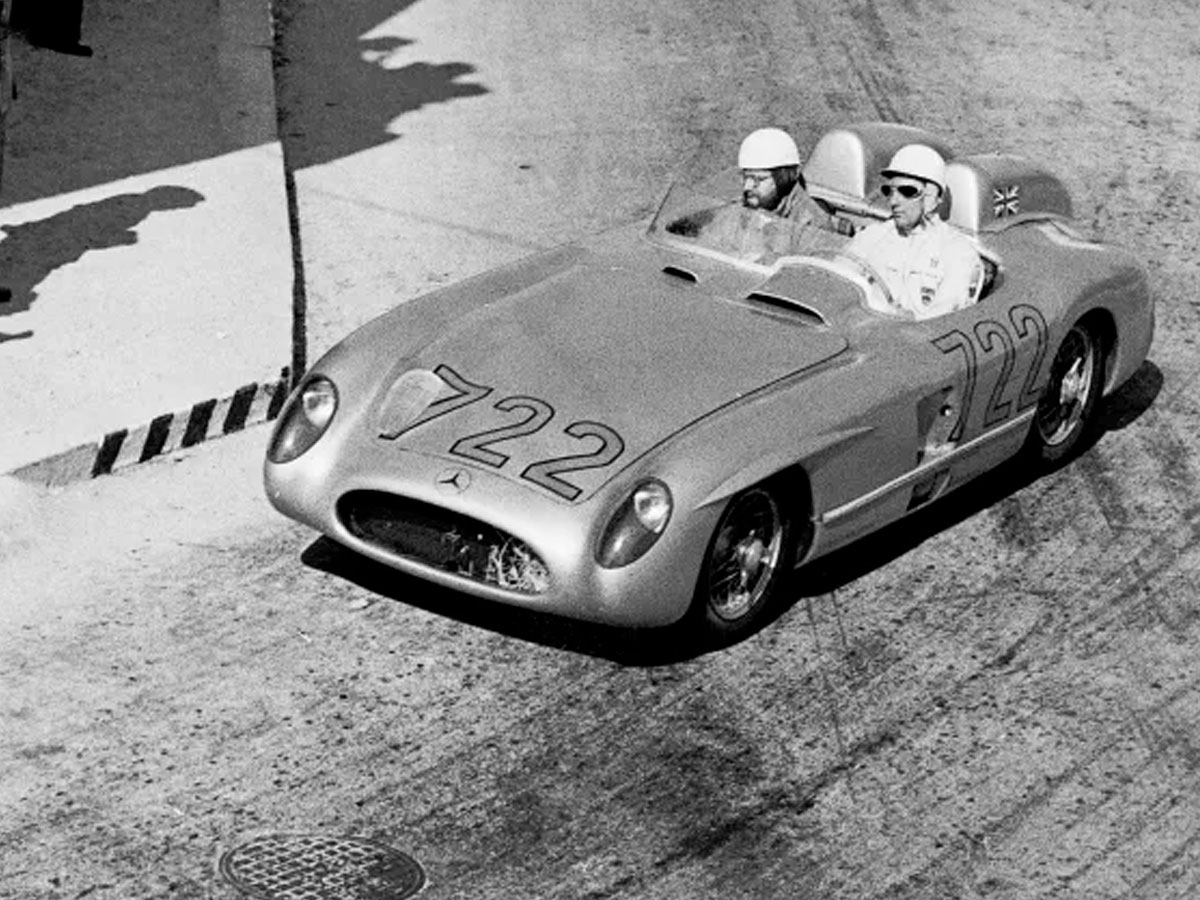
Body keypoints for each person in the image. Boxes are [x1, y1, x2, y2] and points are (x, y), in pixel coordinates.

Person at [841, 144, 981, 319]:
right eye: (889, 191)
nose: (893, 201)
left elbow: (943, 319)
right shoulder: (872, 236)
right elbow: (836, 285)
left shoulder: (957, 252)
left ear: (930, 197)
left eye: (906, 191)